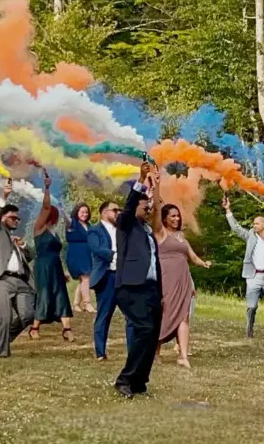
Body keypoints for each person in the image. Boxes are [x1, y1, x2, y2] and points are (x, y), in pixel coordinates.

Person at [113, 162, 163, 399]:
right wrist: (141, 179)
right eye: (145, 206)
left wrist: (161, 293)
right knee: (144, 329)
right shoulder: (126, 225)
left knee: (152, 335)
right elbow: (130, 204)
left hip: (151, 289)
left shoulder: (147, 231)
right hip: (131, 287)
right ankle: (124, 379)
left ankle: (140, 381)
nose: (148, 209)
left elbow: (155, 262)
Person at [0, 179, 36, 358]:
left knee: (28, 316)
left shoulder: (14, 239)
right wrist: (4, 195)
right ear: (3, 217)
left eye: (18, 218)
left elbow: (30, 255)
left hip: (20, 281)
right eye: (13, 217)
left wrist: (23, 245)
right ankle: (2, 351)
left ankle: (3, 337)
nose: (16, 221)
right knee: (5, 316)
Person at [153, 198, 211, 370]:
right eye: (172, 216)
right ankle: (155, 352)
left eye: (178, 216)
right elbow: (155, 212)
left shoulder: (181, 236)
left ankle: (183, 356)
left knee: (184, 316)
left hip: (183, 278)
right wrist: (157, 198)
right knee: (164, 315)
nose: (176, 219)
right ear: (164, 218)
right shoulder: (160, 232)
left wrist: (203, 263)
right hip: (166, 279)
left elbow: (191, 256)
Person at [222, 193, 264, 341]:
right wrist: (228, 210)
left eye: (257, 223)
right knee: (251, 307)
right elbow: (236, 228)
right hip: (253, 276)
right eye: (253, 223)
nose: (254, 225)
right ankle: (249, 329)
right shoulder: (250, 236)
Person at [28, 170, 74, 342]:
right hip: (43, 265)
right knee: (45, 294)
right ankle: (35, 328)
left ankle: (67, 329)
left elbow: (57, 253)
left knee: (61, 294)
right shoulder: (39, 228)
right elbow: (46, 207)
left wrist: (63, 271)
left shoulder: (55, 232)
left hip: (55, 265)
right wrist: (47, 187)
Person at [89, 198, 132, 362]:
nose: (118, 213)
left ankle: (132, 351)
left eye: (119, 210)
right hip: (106, 276)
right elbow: (96, 248)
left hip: (123, 276)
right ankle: (100, 352)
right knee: (104, 315)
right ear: (104, 212)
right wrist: (115, 254)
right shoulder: (95, 230)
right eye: (115, 210)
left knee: (130, 315)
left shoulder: (122, 230)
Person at [66, 202, 95, 314]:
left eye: (86, 212)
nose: (85, 214)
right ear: (77, 212)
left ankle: (76, 304)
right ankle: (87, 303)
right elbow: (65, 217)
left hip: (86, 253)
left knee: (83, 280)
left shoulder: (89, 225)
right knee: (86, 277)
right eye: (82, 212)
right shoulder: (72, 223)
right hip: (76, 253)